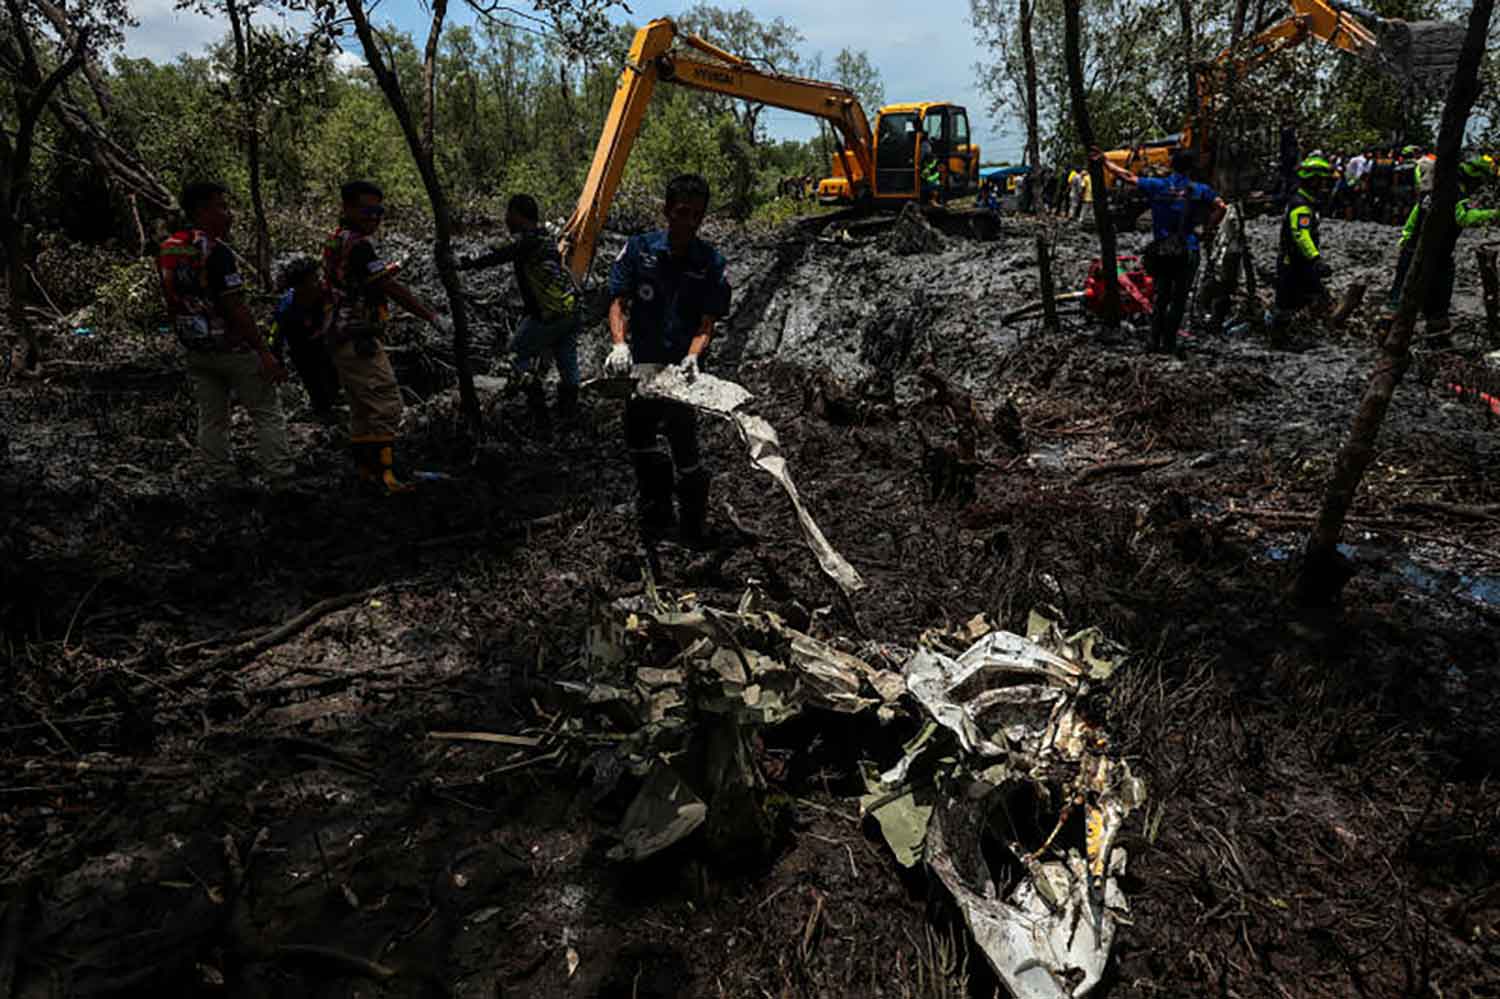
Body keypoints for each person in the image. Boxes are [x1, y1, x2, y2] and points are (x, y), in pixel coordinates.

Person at [605, 173, 732, 547]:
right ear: (666, 211)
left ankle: (693, 531)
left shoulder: (710, 263)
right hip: (642, 368)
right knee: (640, 441)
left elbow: (706, 323)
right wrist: (618, 345)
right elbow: (618, 302)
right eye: (682, 212)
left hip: (680, 373)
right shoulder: (638, 250)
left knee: (685, 449)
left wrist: (694, 356)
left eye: (697, 215)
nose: (688, 222)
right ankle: (656, 515)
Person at [157, 181, 293, 488]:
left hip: (196, 348)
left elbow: (171, 299)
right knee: (266, 411)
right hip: (232, 349)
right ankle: (280, 476)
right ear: (202, 211)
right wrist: (264, 352)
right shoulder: (218, 253)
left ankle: (221, 478)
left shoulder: (169, 249)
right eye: (221, 207)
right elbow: (236, 309)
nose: (228, 214)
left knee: (212, 418)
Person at [322, 180, 450, 493]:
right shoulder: (360, 246)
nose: (374, 217)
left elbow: (361, 278)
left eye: (379, 211)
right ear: (347, 208)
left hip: (339, 332)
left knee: (363, 409)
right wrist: (431, 316)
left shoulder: (337, 239)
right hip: (357, 334)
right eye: (367, 210)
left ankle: (367, 475)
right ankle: (388, 476)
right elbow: (388, 288)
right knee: (387, 404)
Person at [457, 193, 581, 420]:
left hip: (546, 315)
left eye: (508, 214)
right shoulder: (546, 239)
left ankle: (540, 415)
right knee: (568, 367)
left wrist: (466, 264)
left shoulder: (526, 242)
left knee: (516, 356)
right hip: (569, 311)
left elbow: (500, 255)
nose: (506, 219)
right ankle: (569, 420)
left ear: (517, 214)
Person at [1096, 147, 1227, 354]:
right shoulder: (1200, 190)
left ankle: (1153, 341)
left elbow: (1128, 176)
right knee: (1179, 300)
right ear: (1191, 168)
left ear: (1172, 165)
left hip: (1162, 251)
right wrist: (1207, 229)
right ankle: (1169, 343)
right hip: (1187, 249)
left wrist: (1105, 161)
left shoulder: (1159, 186)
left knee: (1161, 297)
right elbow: (1221, 206)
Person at [1385, 153, 1499, 340]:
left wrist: (1406, 236)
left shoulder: (1434, 187)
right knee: (1438, 299)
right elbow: (1463, 217)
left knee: (1400, 294)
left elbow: (1416, 211)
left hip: (1413, 247)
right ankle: (1436, 334)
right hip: (1438, 253)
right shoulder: (1456, 191)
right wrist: (1493, 214)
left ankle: (1389, 331)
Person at [1270, 155, 1336, 348]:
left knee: (1310, 296)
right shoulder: (1301, 206)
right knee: (1287, 302)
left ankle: (1295, 332)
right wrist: (1315, 259)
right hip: (1294, 262)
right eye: (1322, 181)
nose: (1325, 186)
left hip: (1299, 262)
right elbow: (1301, 235)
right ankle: (1280, 339)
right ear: (1313, 180)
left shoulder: (1305, 202)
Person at [268, 256, 341, 421]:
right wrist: (277, 363)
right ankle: (323, 414)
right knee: (314, 384)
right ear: (300, 285)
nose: (319, 282)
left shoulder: (325, 292)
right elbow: (275, 337)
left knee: (334, 378)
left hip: (326, 342)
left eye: (318, 277)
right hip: (301, 349)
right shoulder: (286, 308)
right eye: (313, 280)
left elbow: (336, 307)